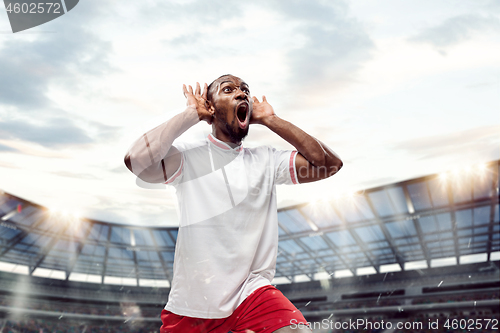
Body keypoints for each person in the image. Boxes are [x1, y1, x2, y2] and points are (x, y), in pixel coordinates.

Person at [124, 74, 343, 333]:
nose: (241, 94)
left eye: (245, 91)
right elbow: (136, 160)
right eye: (228, 89)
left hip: (252, 293)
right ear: (211, 107)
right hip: (195, 304)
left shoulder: (267, 161)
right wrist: (190, 114)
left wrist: (273, 120)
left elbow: (329, 164)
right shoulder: (187, 158)